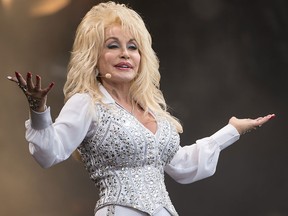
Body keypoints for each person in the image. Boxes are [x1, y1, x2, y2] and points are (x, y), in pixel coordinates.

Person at [7, 1, 275, 216]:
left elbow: (181, 165)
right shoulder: (87, 103)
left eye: (132, 47)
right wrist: (39, 109)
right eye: (113, 45)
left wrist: (232, 131)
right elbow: (50, 152)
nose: (125, 53)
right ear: (94, 57)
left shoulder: (153, 111)